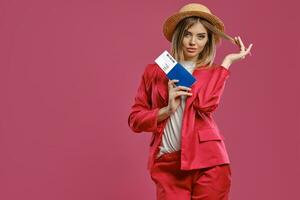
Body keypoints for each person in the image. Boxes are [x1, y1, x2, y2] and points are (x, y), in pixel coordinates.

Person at [128, 3, 253, 200]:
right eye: (187, 34)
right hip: (168, 163)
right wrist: (167, 110)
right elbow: (135, 119)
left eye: (201, 36)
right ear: (179, 35)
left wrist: (226, 63)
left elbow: (206, 105)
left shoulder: (211, 73)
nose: (193, 42)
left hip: (208, 161)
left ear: (208, 40)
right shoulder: (154, 71)